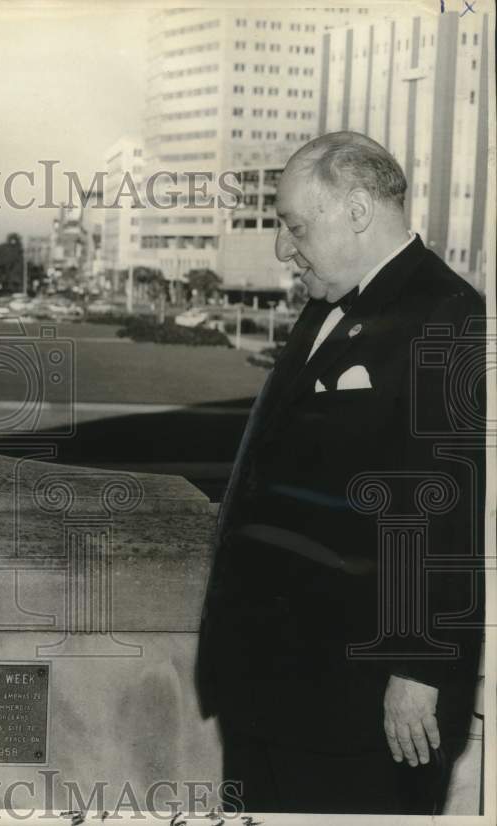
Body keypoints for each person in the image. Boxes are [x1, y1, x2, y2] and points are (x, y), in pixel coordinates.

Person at [195, 132, 485, 814]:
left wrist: (417, 668)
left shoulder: (447, 313)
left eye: (294, 226)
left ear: (357, 211)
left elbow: (444, 506)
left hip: (358, 705)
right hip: (272, 687)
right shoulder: (325, 305)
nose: (281, 248)